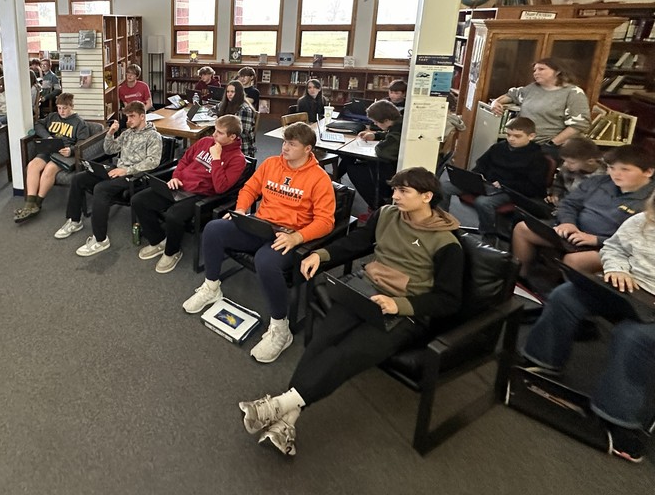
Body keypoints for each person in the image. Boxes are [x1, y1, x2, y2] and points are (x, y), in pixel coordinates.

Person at [236, 167, 462, 456]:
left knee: (346, 353)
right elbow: (357, 243)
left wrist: (399, 305)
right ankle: (286, 420)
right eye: (394, 189)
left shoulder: (446, 244)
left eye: (404, 191)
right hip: (365, 290)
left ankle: (278, 407)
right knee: (322, 340)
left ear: (427, 196)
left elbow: (448, 299)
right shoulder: (387, 214)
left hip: (407, 310)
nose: (395, 196)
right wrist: (321, 254)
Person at [182, 122, 336, 364]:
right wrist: (241, 210)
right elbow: (250, 188)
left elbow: (326, 221)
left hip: (289, 235)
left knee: (266, 261)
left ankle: (280, 328)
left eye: (292, 145)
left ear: (308, 149)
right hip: (260, 225)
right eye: (284, 142)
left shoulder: (319, 179)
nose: (284, 148)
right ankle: (212, 287)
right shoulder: (271, 164)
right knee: (213, 229)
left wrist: (297, 237)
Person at [521, 191, 655, 463]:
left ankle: (619, 418)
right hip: (626, 286)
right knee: (565, 296)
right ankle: (544, 360)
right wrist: (617, 268)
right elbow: (613, 248)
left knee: (632, 337)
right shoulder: (642, 220)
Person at [512, 145, 654, 281]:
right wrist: (568, 223)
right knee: (522, 228)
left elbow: (642, 240)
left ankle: (563, 298)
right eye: (611, 168)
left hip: (608, 246)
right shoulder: (598, 182)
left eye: (625, 169)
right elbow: (569, 203)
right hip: (574, 233)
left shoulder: (650, 200)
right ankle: (520, 281)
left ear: (648, 172)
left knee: (574, 260)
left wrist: (596, 239)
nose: (616, 174)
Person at [132, 114, 247, 273]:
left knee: (174, 215)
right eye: (215, 130)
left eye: (219, 133)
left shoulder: (237, 159)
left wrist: (215, 158)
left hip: (202, 195)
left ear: (232, 137)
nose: (214, 135)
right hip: (180, 185)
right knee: (139, 200)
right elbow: (184, 160)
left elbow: (221, 188)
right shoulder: (205, 142)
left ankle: (173, 251)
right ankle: (159, 240)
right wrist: (176, 177)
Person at [53, 101, 162, 257]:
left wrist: (126, 170)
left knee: (101, 189)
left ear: (142, 116)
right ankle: (74, 220)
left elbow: (153, 161)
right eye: (127, 117)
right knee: (79, 178)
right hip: (117, 171)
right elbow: (110, 149)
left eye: (132, 117)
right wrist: (110, 133)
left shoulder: (153, 136)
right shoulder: (127, 133)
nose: (128, 120)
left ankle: (100, 239)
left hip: (134, 177)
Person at [440, 116, 550, 236]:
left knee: (483, 203)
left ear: (531, 136)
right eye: (508, 135)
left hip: (510, 191)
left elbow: (534, 186)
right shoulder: (498, 147)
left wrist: (504, 184)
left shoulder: (537, 157)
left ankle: (488, 234)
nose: (511, 139)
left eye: (517, 136)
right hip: (486, 183)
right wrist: (476, 176)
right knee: (443, 186)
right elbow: (481, 164)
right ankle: (442, 223)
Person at [14, 93, 92, 223]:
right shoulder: (52, 117)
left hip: (64, 153)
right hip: (50, 149)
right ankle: (29, 204)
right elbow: (38, 124)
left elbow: (83, 142)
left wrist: (71, 150)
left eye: (65, 108)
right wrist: (48, 137)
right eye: (59, 108)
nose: (61, 111)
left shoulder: (79, 123)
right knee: (33, 166)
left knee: (49, 169)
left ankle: (37, 204)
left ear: (72, 107)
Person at [490, 58, 590, 154]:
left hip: (551, 146)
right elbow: (511, 95)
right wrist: (496, 102)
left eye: (541, 69)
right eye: (535, 70)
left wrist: (551, 144)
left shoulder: (573, 93)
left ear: (558, 71)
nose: (536, 73)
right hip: (524, 143)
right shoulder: (532, 88)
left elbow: (579, 125)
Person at [347, 99, 403, 210]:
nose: (376, 124)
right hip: (395, 164)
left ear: (386, 120)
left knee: (354, 169)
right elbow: (388, 135)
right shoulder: (399, 123)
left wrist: (380, 143)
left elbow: (383, 151)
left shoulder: (397, 130)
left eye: (377, 122)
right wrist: (375, 136)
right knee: (358, 163)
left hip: (394, 170)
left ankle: (377, 206)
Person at [547, 136, 606, 205]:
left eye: (571, 162)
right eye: (564, 160)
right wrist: (555, 195)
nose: (565, 164)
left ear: (590, 161)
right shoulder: (567, 168)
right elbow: (559, 184)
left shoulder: (604, 177)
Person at [216, 80, 256, 158]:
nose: (229, 94)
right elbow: (212, 110)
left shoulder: (245, 109)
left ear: (238, 93)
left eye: (232, 92)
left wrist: (223, 127)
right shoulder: (226, 103)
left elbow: (242, 132)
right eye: (227, 92)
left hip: (241, 145)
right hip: (226, 138)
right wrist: (215, 117)